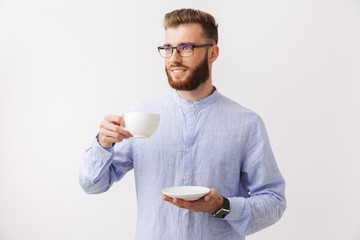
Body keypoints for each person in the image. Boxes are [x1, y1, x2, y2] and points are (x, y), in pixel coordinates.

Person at [79, 8, 286, 240]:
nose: (174, 59)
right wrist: (102, 144)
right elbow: (92, 184)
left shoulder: (247, 124)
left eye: (186, 48)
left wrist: (222, 206)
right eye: (168, 49)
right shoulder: (142, 115)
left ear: (213, 53)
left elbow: (274, 202)